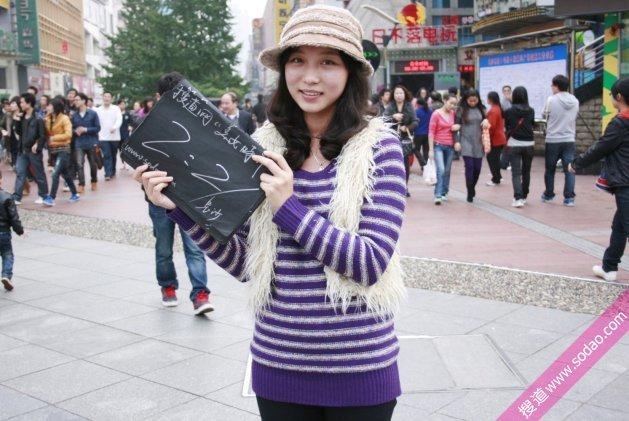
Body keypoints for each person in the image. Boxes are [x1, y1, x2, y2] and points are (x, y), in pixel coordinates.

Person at [137, 5, 406, 420]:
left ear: (351, 72)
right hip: (278, 363)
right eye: (297, 60)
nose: (310, 76)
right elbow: (248, 265)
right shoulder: (261, 148)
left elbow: (369, 264)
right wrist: (182, 211)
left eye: (327, 62)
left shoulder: (379, 149)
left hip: (360, 367)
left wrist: (289, 208)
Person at [144, 71, 213, 315]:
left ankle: (200, 294)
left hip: (189, 198)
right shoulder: (148, 125)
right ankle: (168, 287)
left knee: (195, 247)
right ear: (159, 97)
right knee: (164, 247)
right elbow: (138, 157)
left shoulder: (196, 122)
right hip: (159, 197)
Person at [570, 78, 629, 282]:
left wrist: (577, 163)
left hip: (625, 182)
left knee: (625, 225)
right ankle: (609, 267)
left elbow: (601, 147)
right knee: (620, 226)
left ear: (619, 97)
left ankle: (609, 267)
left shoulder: (621, 122)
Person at [542, 74, 579, 206]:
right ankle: (569, 198)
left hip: (553, 139)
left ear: (556, 86)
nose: (551, 87)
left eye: (552, 85)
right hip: (569, 139)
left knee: (550, 169)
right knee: (569, 169)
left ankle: (549, 195)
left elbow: (544, 115)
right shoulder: (575, 100)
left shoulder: (551, 100)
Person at [12, 92, 49, 205]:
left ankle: (43, 195)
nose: (20, 104)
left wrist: (37, 144)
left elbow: (43, 135)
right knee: (20, 172)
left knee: (39, 173)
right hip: (22, 150)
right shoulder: (22, 117)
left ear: (29, 103)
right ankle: (17, 197)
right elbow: (19, 132)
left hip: (33, 151)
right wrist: (17, 120)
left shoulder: (38, 117)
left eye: (22, 102)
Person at [43, 98, 80, 206]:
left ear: (55, 107)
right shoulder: (47, 119)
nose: (48, 107)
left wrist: (54, 138)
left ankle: (51, 198)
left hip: (63, 150)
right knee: (66, 174)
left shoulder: (65, 118)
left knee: (55, 174)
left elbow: (68, 134)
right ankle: (75, 194)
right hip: (53, 151)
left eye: (50, 105)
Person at [504, 86, 535, 208]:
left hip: (514, 143)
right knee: (526, 171)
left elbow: (507, 126)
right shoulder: (531, 110)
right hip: (529, 144)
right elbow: (532, 124)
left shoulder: (509, 111)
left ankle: (518, 198)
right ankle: (524, 195)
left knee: (516, 173)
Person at [456, 89, 488, 203]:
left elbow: (487, 122)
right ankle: (470, 192)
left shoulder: (482, 109)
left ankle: (472, 186)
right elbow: (456, 125)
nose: (473, 103)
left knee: (477, 168)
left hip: (478, 142)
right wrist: (457, 141)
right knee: (469, 166)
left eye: (475, 100)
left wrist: (486, 121)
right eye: (470, 101)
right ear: (466, 99)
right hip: (466, 140)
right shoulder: (461, 109)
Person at [385, 84, 417, 196]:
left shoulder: (409, 106)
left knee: (405, 164)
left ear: (405, 94)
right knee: (393, 163)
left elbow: (415, 121)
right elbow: (383, 120)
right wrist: (393, 117)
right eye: (397, 93)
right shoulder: (390, 106)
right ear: (393, 95)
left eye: (401, 93)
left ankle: (404, 187)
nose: (399, 95)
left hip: (405, 139)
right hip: (392, 138)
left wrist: (407, 127)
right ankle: (394, 187)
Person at [429, 93, 460, 205]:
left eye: (455, 104)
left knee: (447, 171)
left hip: (450, 146)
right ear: (444, 101)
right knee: (441, 169)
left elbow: (457, 126)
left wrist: (458, 127)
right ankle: (437, 194)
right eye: (451, 103)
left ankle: (444, 192)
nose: (453, 106)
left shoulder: (453, 114)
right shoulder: (436, 114)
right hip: (438, 145)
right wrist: (431, 149)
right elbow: (431, 132)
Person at [71, 92, 101, 193]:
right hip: (79, 143)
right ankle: (81, 184)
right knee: (79, 164)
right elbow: (71, 128)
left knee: (93, 164)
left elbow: (98, 128)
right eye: (74, 100)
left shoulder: (93, 113)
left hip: (91, 142)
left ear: (84, 101)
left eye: (77, 100)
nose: (75, 102)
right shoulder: (74, 115)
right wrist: (75, 131)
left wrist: (86, 129)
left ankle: (94, 181)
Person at [0, 171, 24, 291]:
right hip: (3, 231)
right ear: (1, 179)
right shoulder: (7, 196)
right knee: (7, 253)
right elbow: (14, 218)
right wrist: (20, 230)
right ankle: (6, 275)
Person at [95, 92, 123, 180]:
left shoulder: (116, 108)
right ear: (102, 98)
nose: (106, 98)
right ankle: (107, 173)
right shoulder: (98, 110)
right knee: (107, 154)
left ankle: (112, 171)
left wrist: (115, 127)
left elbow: (119, 119)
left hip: (114, 137)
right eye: (105, 96)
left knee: (113, 154)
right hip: (103, 137)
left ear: (111, 99)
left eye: (108, 97)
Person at [485, 91, 506, 186]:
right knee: (496, 159)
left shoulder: (493, 110)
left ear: (490, 99)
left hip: (495, 139)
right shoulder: (498, 108)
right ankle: (498, 176)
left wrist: (486, 137)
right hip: (500, 138)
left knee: (491, 159)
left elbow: (491, 126)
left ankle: (495, 179)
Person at [413, 97, 432, 172]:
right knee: (426, 151)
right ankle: (425, 167)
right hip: (428, 133)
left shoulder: (416, 111)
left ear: (417, 104)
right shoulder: (430, 111)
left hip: (418, 133)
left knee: (415, 149)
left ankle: (422, 162)